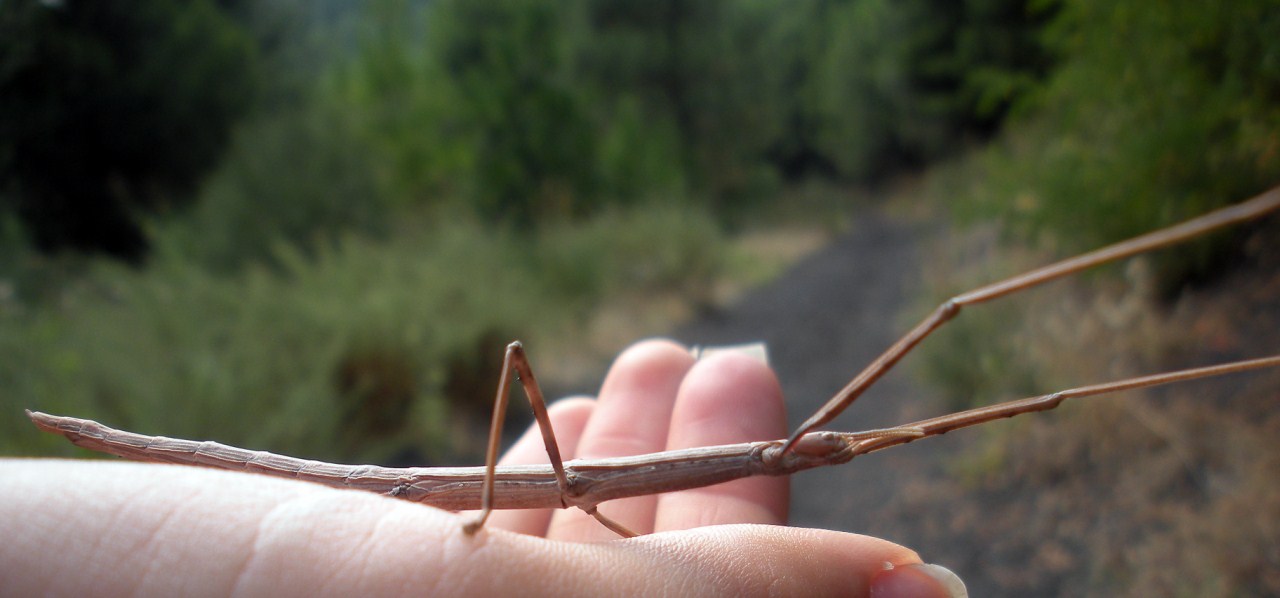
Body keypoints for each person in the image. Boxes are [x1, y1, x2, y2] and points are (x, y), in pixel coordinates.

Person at [2, 340, 964, 596]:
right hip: (425, 491)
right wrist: (486, 512)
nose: (844, 446)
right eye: (837, 446)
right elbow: (519, 365)